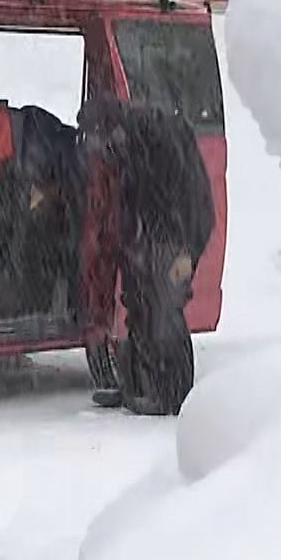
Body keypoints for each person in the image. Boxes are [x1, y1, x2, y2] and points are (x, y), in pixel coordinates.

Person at [81, 96, 215, 416]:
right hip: (154, 234)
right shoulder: (132, 149)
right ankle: (146, 386)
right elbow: (133, 205)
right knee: (139, 304)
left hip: (178, 236)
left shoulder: (160, 143)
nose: (102, 153)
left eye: (102, 142)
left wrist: (185, 250)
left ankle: (176, 398)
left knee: (165, 311)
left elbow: (191, 200)